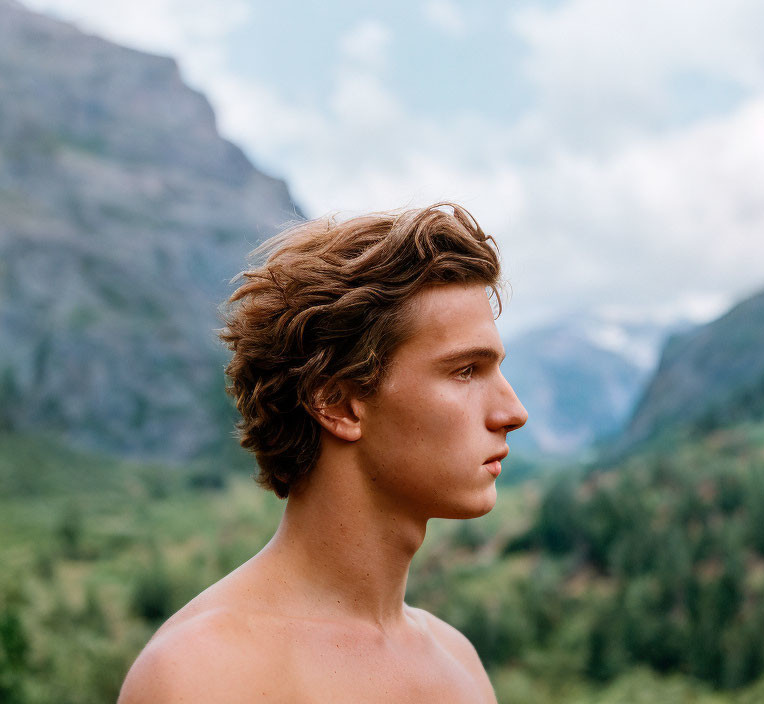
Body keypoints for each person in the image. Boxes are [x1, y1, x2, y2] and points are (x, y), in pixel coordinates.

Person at [118, 203, 528, 703]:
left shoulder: (459, 665)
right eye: (465, 370)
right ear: (338, 403)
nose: (513, 411)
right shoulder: (202, 675)